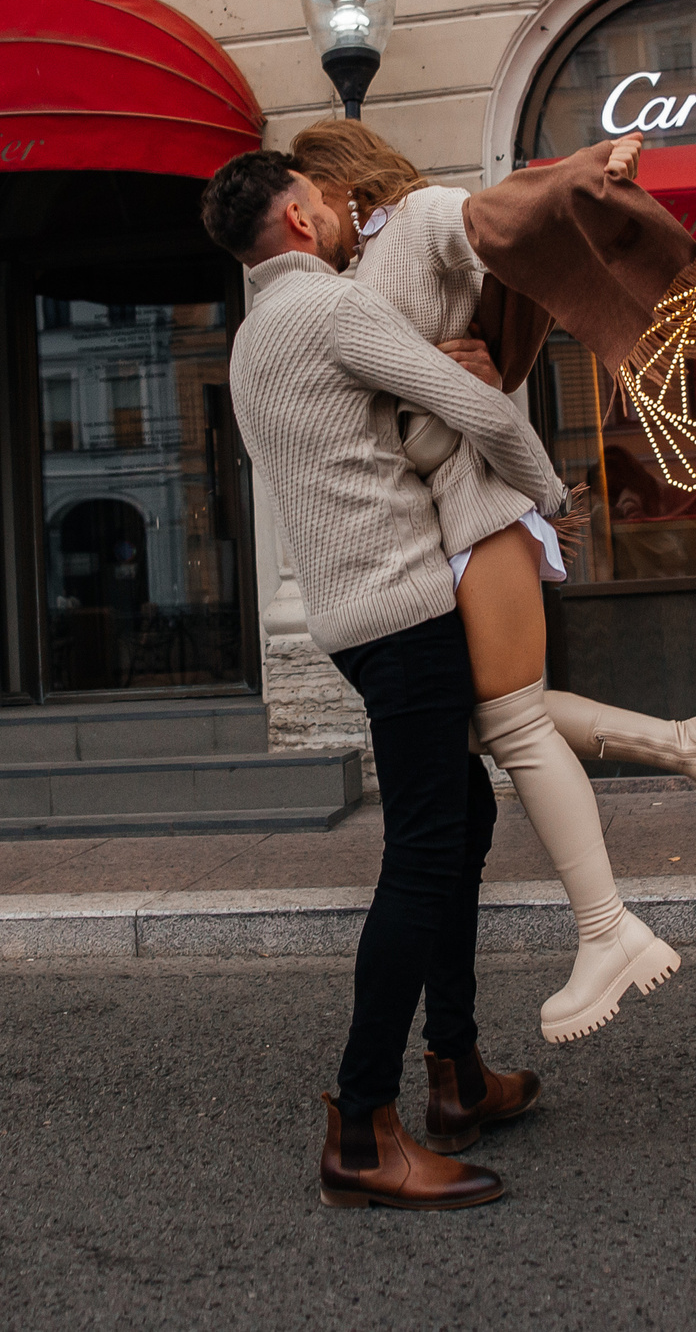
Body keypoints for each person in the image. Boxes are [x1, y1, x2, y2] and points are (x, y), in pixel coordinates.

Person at [291, 118, 696, 1046]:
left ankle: (607, 927)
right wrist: (471, 363)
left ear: (341, 182)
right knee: (490, 716)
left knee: (506, 723)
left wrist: (586, 172)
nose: (307, 219)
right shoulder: (356, 272)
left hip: (481, 508)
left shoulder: (417, 217)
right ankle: (691, 744)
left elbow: (499, 218)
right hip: (454, 519)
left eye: (307, 195)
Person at [202, 148, 561, 1211]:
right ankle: (362, 1132)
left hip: (354, 619)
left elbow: (378, 439)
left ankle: (456, 1076)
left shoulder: (253, 337)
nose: (348, 213)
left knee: (462, 815)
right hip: (406, 614)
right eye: (325, 201)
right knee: (422, 856)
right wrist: (556, 500)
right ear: (301, 222)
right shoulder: (328, 310)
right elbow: (484, 416)